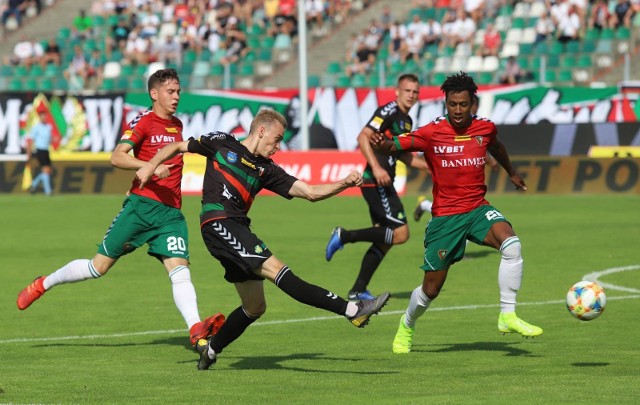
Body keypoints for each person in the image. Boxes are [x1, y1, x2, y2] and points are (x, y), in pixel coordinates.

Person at [135, 109, 391, 371]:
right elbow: (179, 145)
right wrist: (150, 165)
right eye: (277, 139)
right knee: (280, 271)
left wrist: (343, 183)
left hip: (236, 227)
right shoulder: (221, 142)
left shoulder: (266, 169)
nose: (278, 147)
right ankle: (352, 310)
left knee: (255, 306)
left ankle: (210, 350)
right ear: (261, 131)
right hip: (218, 222)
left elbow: (310, 192)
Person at [17, 69, 224, 348]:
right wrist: (149, 166)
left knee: (180, 269)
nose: (176, 96)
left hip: (171, 214)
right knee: (97, 267)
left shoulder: (177, 125)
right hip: (140, 209)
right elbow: (117, 157)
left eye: (178, 91)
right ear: (154, 93)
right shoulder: (144, 122)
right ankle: (44, 283)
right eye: (170, 91)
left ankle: (196, 331)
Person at [367, 72, 543, 354]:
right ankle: (407, 323)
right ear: (445, 104)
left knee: (512, 244)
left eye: (463, 104)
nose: (458, 110)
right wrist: (382, 144)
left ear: (472, 103)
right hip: (446, 219)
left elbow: (496, 146)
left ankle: (507, 315)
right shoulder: (431, 132)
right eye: (452, 105)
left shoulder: (485, 128)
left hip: (477, 209)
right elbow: (397, 145)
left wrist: (512, 172)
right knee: (431, 290)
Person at [325, 73, 429, 300]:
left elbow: (402, 155)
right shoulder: (389, 110)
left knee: (385, 240)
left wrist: (431, 167)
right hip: (375, 179)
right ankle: (344, 236)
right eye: (407, 90)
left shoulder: (407, 121)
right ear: (397, 91)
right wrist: (377, 167)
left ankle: (358, 290)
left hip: (383, 180)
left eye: (415, 92)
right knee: (401, 234)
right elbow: (363, 136)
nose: (411, 95)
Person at [27, 110, 53, 196]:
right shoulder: (36, 127)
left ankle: (34, 185)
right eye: (42, 116)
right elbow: (31, 140)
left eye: (45, 116)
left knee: (47, 171)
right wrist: (29, 152)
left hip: (46, 150)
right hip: (40, 150)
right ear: (40, 117)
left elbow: (50, 139)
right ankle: (48, 191)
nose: (44, 117)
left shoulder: (49, 127)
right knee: (45, 169)